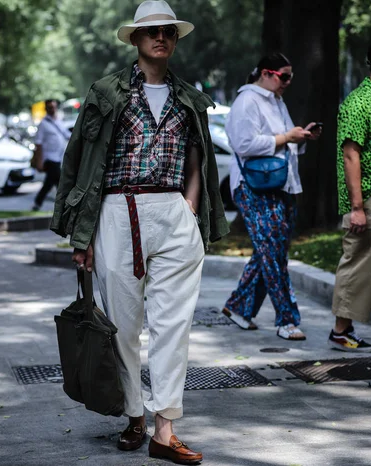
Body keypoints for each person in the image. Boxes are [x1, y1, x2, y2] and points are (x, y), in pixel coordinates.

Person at [51, 1, 228, 463]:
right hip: (117, 210)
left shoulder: (189, 96)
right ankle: (134, 415)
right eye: (152, 31)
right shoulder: (106, 93)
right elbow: (79, 162)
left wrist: (189, 207)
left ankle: (164, 431)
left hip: (173, 212)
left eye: (168, 31)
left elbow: (198, 156)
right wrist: (80, 235)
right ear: (134, 38)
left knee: (173, 326)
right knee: (124, 327)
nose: (161, 37)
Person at [221, 53, 321, 341]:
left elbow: (286, 141)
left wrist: (300, 137)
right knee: (273, 255)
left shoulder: (276, 101)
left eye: (290, 76)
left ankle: (238, 306)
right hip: (254, 187)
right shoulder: (246, 101)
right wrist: (285, 138)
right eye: (284, 76)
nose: (288, 82)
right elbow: (243, 143)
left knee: (271, 251)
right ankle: (287, 320)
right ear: (266, 73)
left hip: (280, 185)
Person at [328, 37, 371, 352]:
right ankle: (341, 331)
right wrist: (357, 207)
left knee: (369, 259)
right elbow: (350, 154)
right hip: (370, 194)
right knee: (360, 259)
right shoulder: (360, 102)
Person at [31, 99, 71, 211]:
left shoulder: (58, 121)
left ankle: (37, 203)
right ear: (46, 109)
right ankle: (64, 205)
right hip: (49, 158)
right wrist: (39, 161)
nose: (52, 109)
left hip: (58, 158)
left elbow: (67, 134)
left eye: (53, 107)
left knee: (49, 183)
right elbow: (38, 144)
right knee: (59, 182)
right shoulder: (43, 124)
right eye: (49, 107)